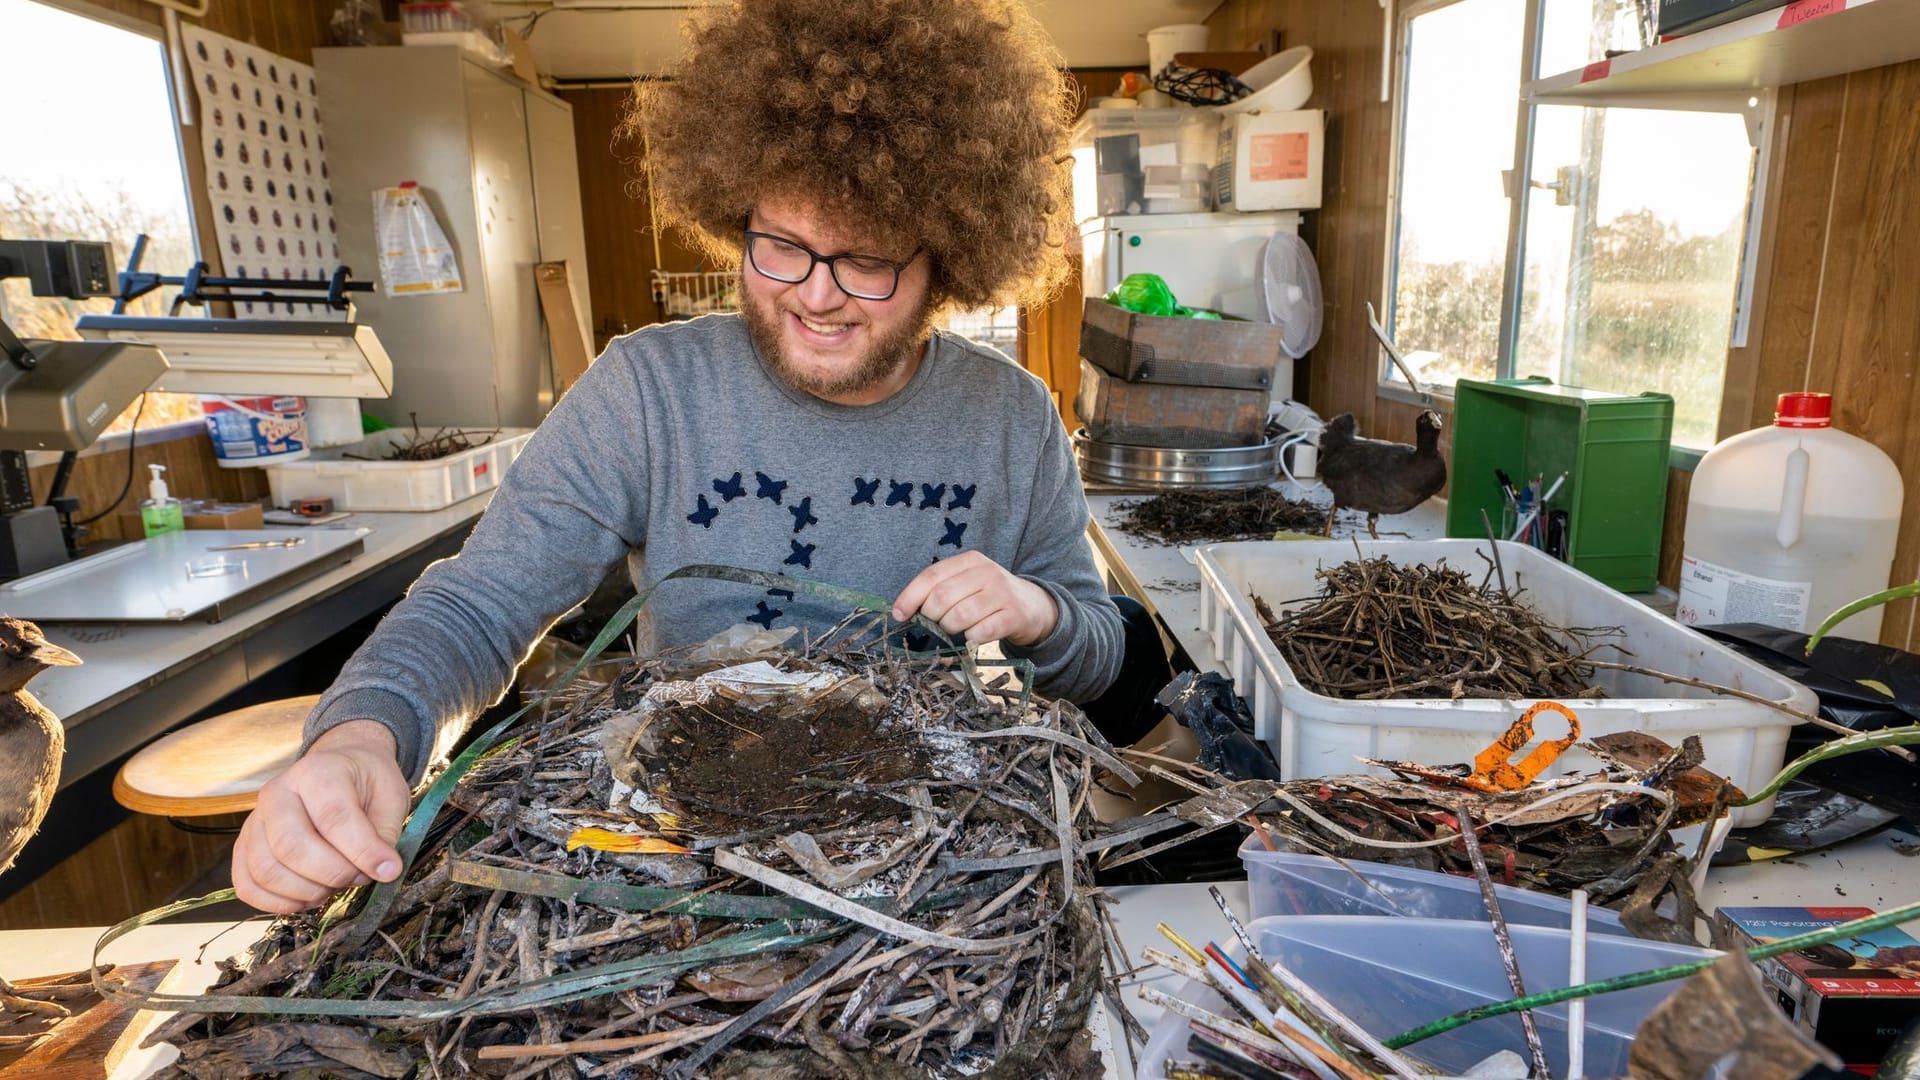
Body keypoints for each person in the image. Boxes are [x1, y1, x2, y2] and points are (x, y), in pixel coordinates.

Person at [230, 0, 1164, 915]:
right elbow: (481, 601)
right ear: (734, 214)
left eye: (868, 260)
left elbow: (1097, 657)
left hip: (926, 868)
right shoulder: (650, 389)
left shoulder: (1012, 416)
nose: (817, 297)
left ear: (948, 259)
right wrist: (362, 738)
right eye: (781, 246)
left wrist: (1038, 613)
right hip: (689, 855)